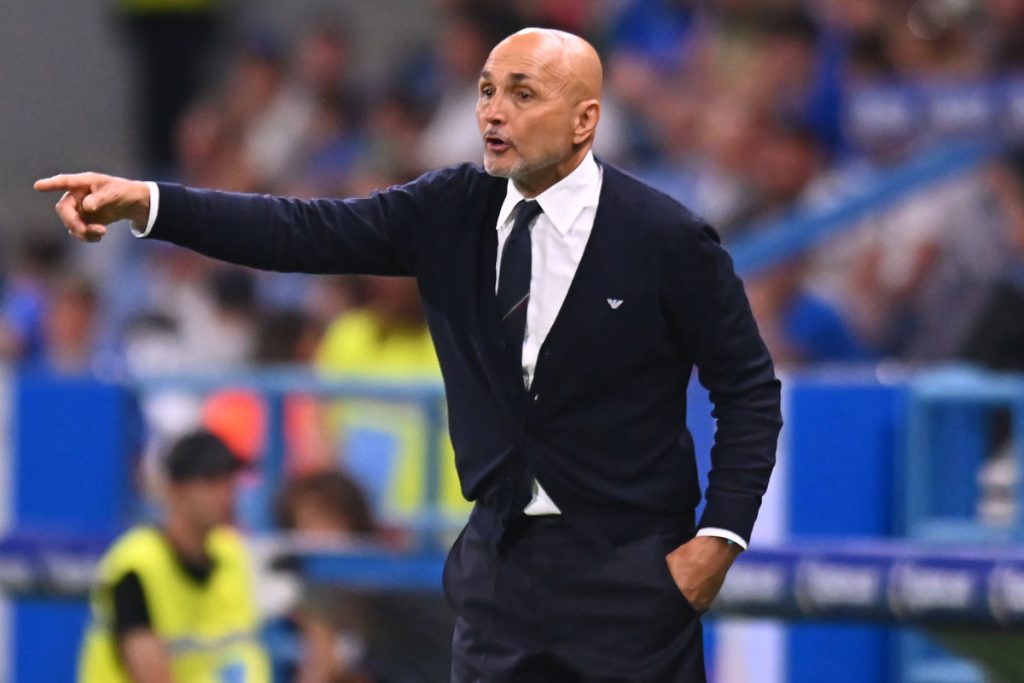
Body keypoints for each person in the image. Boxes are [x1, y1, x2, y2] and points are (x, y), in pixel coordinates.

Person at [39, 27, 782, 682]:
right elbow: (301, 231)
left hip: (633, 570)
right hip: (500, 568)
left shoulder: (665, 237)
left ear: (585, 119)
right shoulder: (450, 209)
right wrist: (153, 204)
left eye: (522, 94)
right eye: (486, 91)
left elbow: (747, 388)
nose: (493, 112)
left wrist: (718, 540)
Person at [77, 430, 270, 683]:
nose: (227, 494)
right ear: (175, 490)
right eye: (211, 481)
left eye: (230, 480)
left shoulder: (234, 554)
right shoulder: (137, 566)